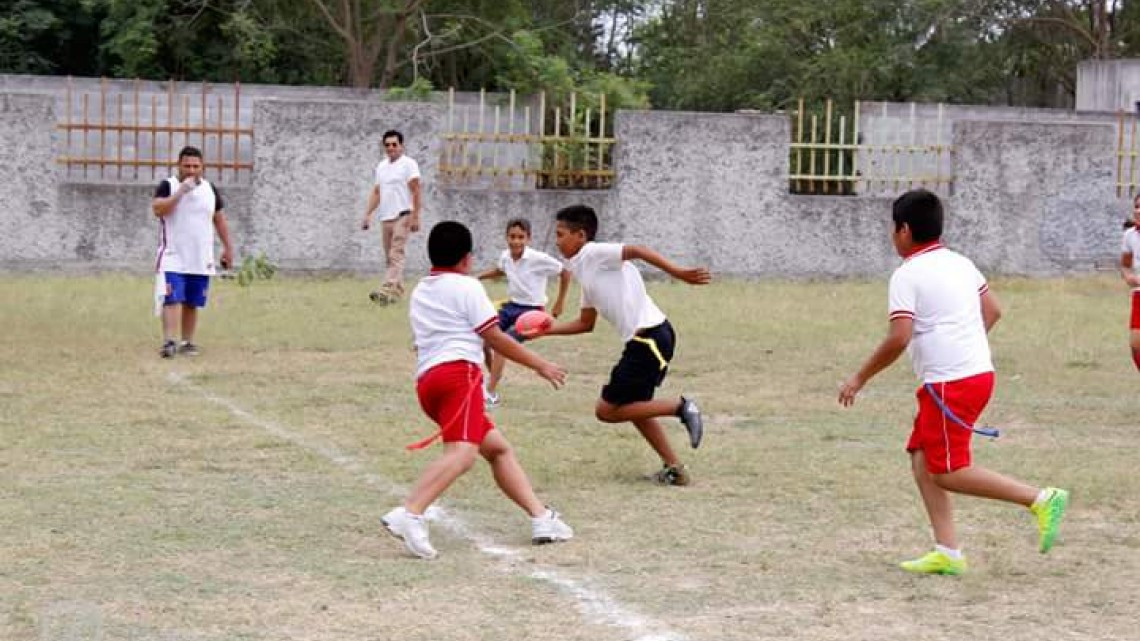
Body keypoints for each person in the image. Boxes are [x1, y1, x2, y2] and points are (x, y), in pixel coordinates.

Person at [838, 189, 1069, 575]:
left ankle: (1041, 499)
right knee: (922, 458)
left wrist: (858, 378)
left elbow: (899, 336)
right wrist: (967, 347)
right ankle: (948, 552)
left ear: (905, 230)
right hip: (973, 374)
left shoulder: (907, 274)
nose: (892, 236)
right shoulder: (961, 263)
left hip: (952, 383)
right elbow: (993, 310)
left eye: (893, 229)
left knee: (948, 470)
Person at [381, 221, 574, 559]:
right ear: (468, 259)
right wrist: (540, 364)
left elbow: (472, 336)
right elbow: (495, 337)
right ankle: (410, 512)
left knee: (497, 449)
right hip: (458, 379)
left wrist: (484, 362)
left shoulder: (422, 289)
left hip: (429, 384)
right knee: (463, 455)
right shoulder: (468, 287)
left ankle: (542, 518)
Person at [543, 205, 709, 486]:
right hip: (650, 338)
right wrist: (543, 331)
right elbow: (585, 323)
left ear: (580, 235)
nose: (556, 241)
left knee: (606, 410)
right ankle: (675, 469)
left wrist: (677, 272)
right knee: (634, 407)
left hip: (648, 339)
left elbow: (639, 250)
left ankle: (681, 407)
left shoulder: (593, 253)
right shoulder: (583, 270)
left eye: (560, 234)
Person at [477, 218, 571, 407]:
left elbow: (565, 272)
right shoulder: (505, 256)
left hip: (532, 311)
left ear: (528, 239)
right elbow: (500, 270)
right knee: (483, 340)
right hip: (511, 307)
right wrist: (476, 277)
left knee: (504, 344)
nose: (516, 241)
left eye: (521, 237)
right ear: (506, 237)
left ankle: (491, 393)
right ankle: (492, 379)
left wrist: (560, 302)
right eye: (512, 237)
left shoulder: (538, 259)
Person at [151, 146, 234, 359]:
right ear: (179, 165)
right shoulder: (168, 185)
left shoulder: (209, 189)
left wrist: (228, 247)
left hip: (200, 255)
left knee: (192, 301)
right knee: (172, 298)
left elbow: (219, 219)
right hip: (173, 255)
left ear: (202, 167)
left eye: (196, 166)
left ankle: (187, 342)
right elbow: (159, 209)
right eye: (187, 166)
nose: (191, 170)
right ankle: (169, 341)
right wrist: (181, 191)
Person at [360, 130, 422, 305]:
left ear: (401, 146)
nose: (391, 148)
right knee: (389, 257)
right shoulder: (381, 167)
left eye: (394, 144)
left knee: (396, 253)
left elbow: (416, 190)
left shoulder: (409, 164)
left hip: (403, 214)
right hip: (386, 216)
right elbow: (377, 192)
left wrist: (416, 216)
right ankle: (397, 292)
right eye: (387, 145)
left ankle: (386, 290)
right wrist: (367, 214)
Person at [1119, 193, 1140, 371]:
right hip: (1139, 295)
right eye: (1137, 206)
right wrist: (1129, 277)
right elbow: (1125, 265)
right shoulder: (1129, 236)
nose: (1138, 211)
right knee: (1136, 346)